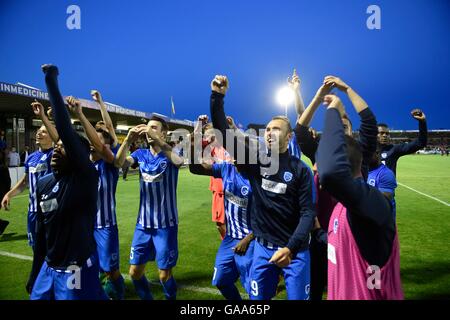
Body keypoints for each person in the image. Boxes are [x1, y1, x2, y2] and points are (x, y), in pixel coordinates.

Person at [210, 75, 316, 300]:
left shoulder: (302, 170)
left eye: (275, 129)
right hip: (263, 249)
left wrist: (291, 248)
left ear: (289, 137)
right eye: (267, 129)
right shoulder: (256, 162)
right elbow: (224, 135)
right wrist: (217, 97)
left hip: (295, 251)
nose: (269, 132)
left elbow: (308, 213)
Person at [26, 64, 106, 300]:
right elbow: (42, 235)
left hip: (76, 269)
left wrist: (51, 80)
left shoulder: (85, 178)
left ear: (79, 158)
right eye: (56, 148)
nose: (57, 152)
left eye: (64, 149)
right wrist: (35, 271)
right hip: (48, 268)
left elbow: (64, 130)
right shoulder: (43, 184)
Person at [294, 75, 378, 300]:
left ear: (352, 131)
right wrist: (318, 96)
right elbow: (301, 129)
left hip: (353, 236)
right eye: (336, 127)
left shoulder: (361, 153)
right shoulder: (321, 152)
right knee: (316, 289)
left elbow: (369, 123)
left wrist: (347, 89)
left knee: (348, 290)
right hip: (320, 234)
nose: (341, 129)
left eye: (345, 126)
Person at [316, 94, 403, 300]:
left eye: (322, 158)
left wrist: (333, 112)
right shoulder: (342, 207)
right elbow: (338, 245)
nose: (317, 166)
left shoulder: (373, 205)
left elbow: (329, 173)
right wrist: (318, 231)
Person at [116, 116, 184, 300]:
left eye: (153, 127)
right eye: (147, 128)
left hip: (165, 225)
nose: (148, 131)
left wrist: (160, 141)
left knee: (164, 275)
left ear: (163, 133)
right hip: (143, 225)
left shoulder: (171, 153)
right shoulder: (141, 154)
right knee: (134, 272)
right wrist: (129, 139)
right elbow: (119, 163)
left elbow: (179, 162)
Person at [65, 93, 124, 300]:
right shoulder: (85, 164)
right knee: (91, 265)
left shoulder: (110, 163)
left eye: (98, 139)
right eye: (91, 138)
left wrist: (96, 106)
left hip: (106, 225)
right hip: (87, 226)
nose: (93, 143)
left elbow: (107, 134)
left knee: (111, 270)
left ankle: (119, 293)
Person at [189, 125, 255, 300]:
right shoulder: (226, 168)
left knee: (256, 291)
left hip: (252, 240)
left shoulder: (258, 178)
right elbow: (196, 167)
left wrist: (247, 239)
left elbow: (269, 216)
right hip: (230, 239)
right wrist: (196, 139)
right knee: (221, 280)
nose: (232, 154)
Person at [1, 101, 57, 249]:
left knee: (52, 250)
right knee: (36, 250)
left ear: (52, 136)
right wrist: (9, 194)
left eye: (44, 131)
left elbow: (60, 138)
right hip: (32, 212)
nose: (39, 133)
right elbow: (25, 181)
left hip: (51, 211)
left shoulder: (56, 154)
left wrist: (44, 116)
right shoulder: (31, 157)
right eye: (38, 130)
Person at [193, 115, 229, 239]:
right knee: (220, 224)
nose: (208, 137)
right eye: (206, 135)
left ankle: (233, 247)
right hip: (218, 192)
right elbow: (195, 142)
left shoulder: (229, 146)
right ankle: (228, 245)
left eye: (211, 134)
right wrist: (199, 124)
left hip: (233, 191)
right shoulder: (209, 149)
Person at [378, 109, 427, 176]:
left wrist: (422, 122)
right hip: (368, 186)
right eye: (381, 133)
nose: (385, 135)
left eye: (387, 133)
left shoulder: (394, 149)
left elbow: (420, 143)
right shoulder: (366, 150)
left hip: (386, 186)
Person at [367, 149, 398, 220]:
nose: (365, 156)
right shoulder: (363, 171)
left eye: (368, 153)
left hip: (383, 223)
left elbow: (383, 202)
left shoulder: (386, 174)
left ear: (377, 153)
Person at [0, 149, 11, 235]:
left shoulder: (3, 167)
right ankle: (2, 224)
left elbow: (8, 182)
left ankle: (2, 224)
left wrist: (7, 195)